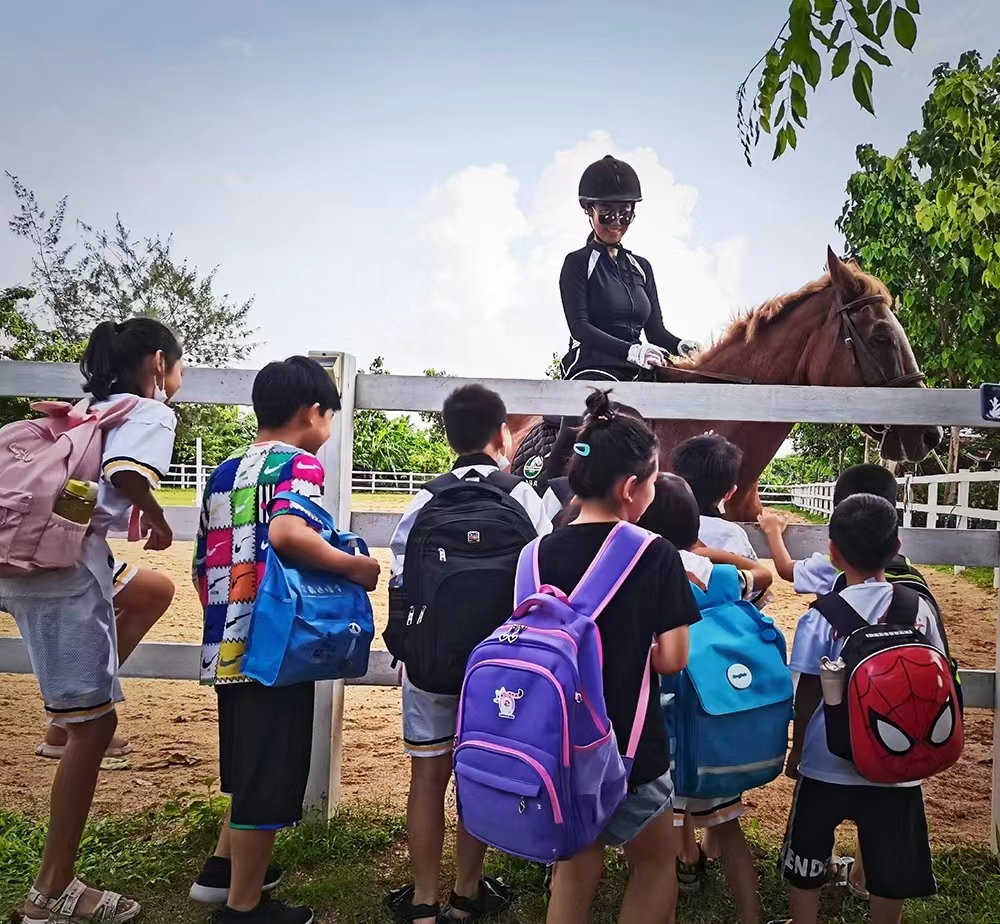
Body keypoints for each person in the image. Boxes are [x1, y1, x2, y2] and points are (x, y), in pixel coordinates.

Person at [1, 318, 183, 924]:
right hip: (61, 565)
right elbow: (125, 474)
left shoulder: (88, 408)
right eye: (178, 368)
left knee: (151, 591)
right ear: (159, 363)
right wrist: (155, 516)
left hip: (51, 551)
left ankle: (63, 727)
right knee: (96, 730)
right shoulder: (151, 413)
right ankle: (52, 893)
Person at [190, 356, 380, 924]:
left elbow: (203, 562)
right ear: (311, 413)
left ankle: (222, 873)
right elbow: (288, 532)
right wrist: (351, 567)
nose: (328, 432)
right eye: (330, 419)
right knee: (271, 772)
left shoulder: (225, 470)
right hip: (275, 646)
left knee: (251, 763)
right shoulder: (297, 464)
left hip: (229, 641)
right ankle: (244, 907)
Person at [385, 384, 551, 924]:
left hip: (432, 665)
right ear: (504, 435)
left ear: (449, 437)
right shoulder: (527, 500)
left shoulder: (424, 500)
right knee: (478, 773)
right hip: (502, 669)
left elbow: (403, 584)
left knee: (428, 777)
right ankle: (466, 893)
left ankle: (423, 901)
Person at [538, 391, 701, 924]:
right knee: (653, 863)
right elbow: (674, 656)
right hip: (629, 745)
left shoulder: (533, 554)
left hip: (556, 743)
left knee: (575, 861)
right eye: (653, 482)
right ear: (632, 488)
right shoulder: (653, 552)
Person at [757, 463, 931, 899]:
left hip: (826, 759)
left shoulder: (821, 615)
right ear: (897, 546)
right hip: (898, 761)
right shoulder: (918, 607)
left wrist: (796, 752)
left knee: (807, 862)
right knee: (890, 867)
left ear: (831, 550)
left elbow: (809, 689)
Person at [638, 474, 771, 924]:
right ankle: (750, 915)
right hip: (712, 721)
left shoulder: (639, 572)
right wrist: (707, 551)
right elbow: (765, 576)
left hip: (661, 731)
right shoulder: (717, 576)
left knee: (661, 841)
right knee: (729, 829)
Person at [535, 155, 699, 491]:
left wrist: (682, 345)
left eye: (626, 213)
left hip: (639, 368)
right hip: (594, 366)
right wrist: (632, 351)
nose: (616, 221)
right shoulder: (577, 263)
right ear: (588, 210)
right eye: (607, 213)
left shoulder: (641, 266)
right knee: (577, 428)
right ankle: (546, 488)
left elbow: (656, 331)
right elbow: (579, 327)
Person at [669, 433, 766, 891]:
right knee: (714, 751)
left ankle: (684, 853)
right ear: (729, 492)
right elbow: (758, 593)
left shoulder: (657, 536)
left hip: (673, 672)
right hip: (723, 671)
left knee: (675, 771)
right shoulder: (732, 537)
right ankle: (712, 841)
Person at [34, 567, 176, 759]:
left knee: (146, 593)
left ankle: (68, 719)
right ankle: (73, 719)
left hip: (36, 557)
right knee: (154, 593)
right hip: (49, 561)